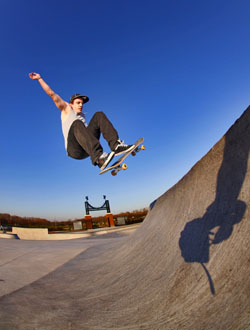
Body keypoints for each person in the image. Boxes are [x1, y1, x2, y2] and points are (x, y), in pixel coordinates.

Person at [29, 73, 134, 170]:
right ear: (71, 104)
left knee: (99, 115)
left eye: (82, 103)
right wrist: (40, 79)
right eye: (78, 103)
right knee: (76, 123)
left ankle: (116, 146)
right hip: (74, 150)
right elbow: (51, 94)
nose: (81, 105)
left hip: (86, 148)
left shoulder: (82, 117)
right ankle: (99, 159)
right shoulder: (66, 109)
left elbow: (88, 134)